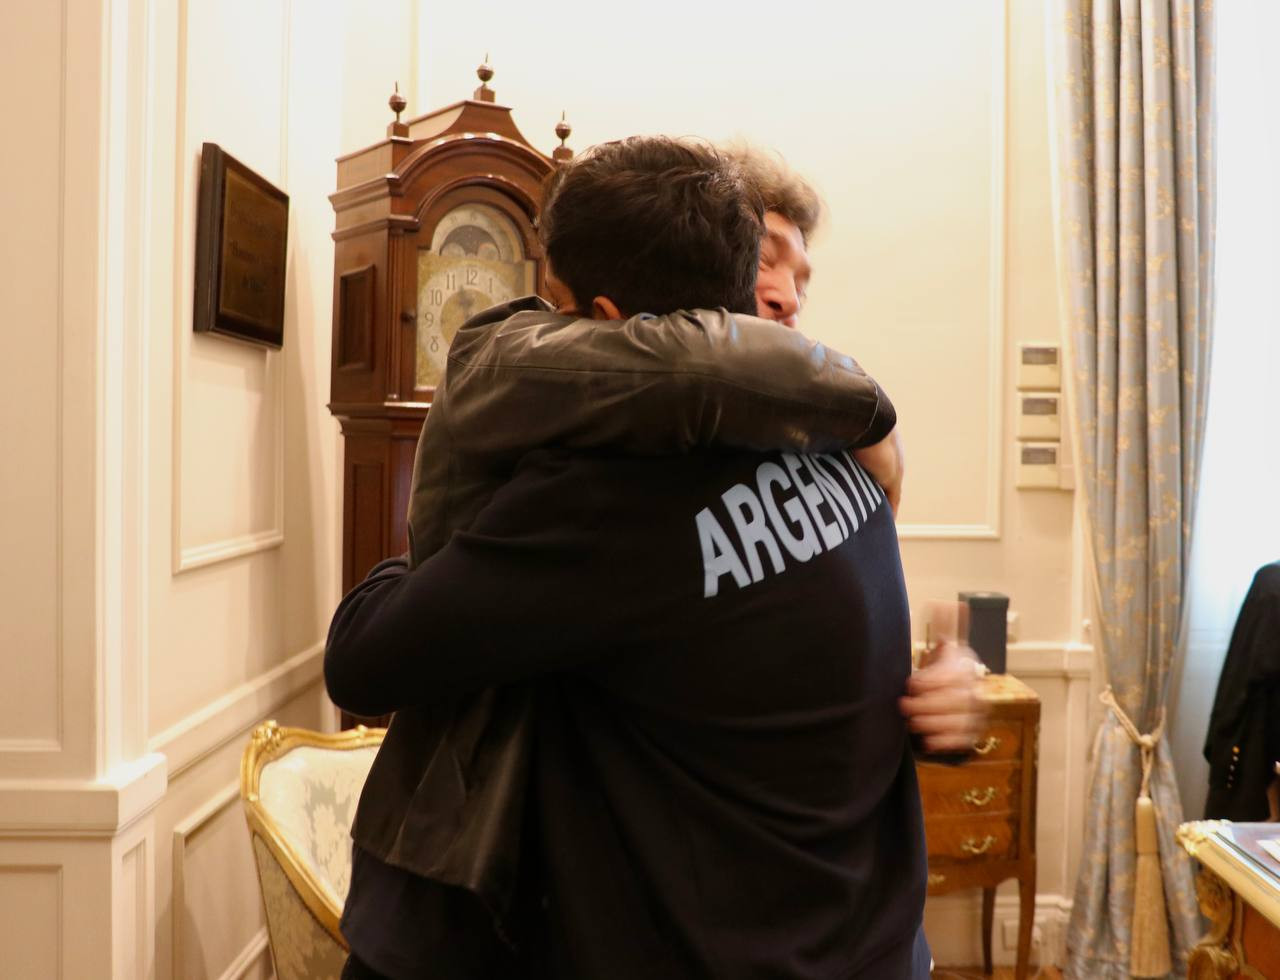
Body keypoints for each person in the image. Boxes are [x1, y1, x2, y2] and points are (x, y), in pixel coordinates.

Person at [327, 136, 979, 978]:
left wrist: (418, 550)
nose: (785, 297)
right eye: (768, 261)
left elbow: (365, 662)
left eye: (552, 306)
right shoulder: (850, 454)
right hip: (874, 950)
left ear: (598, 324)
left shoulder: (611, 496)